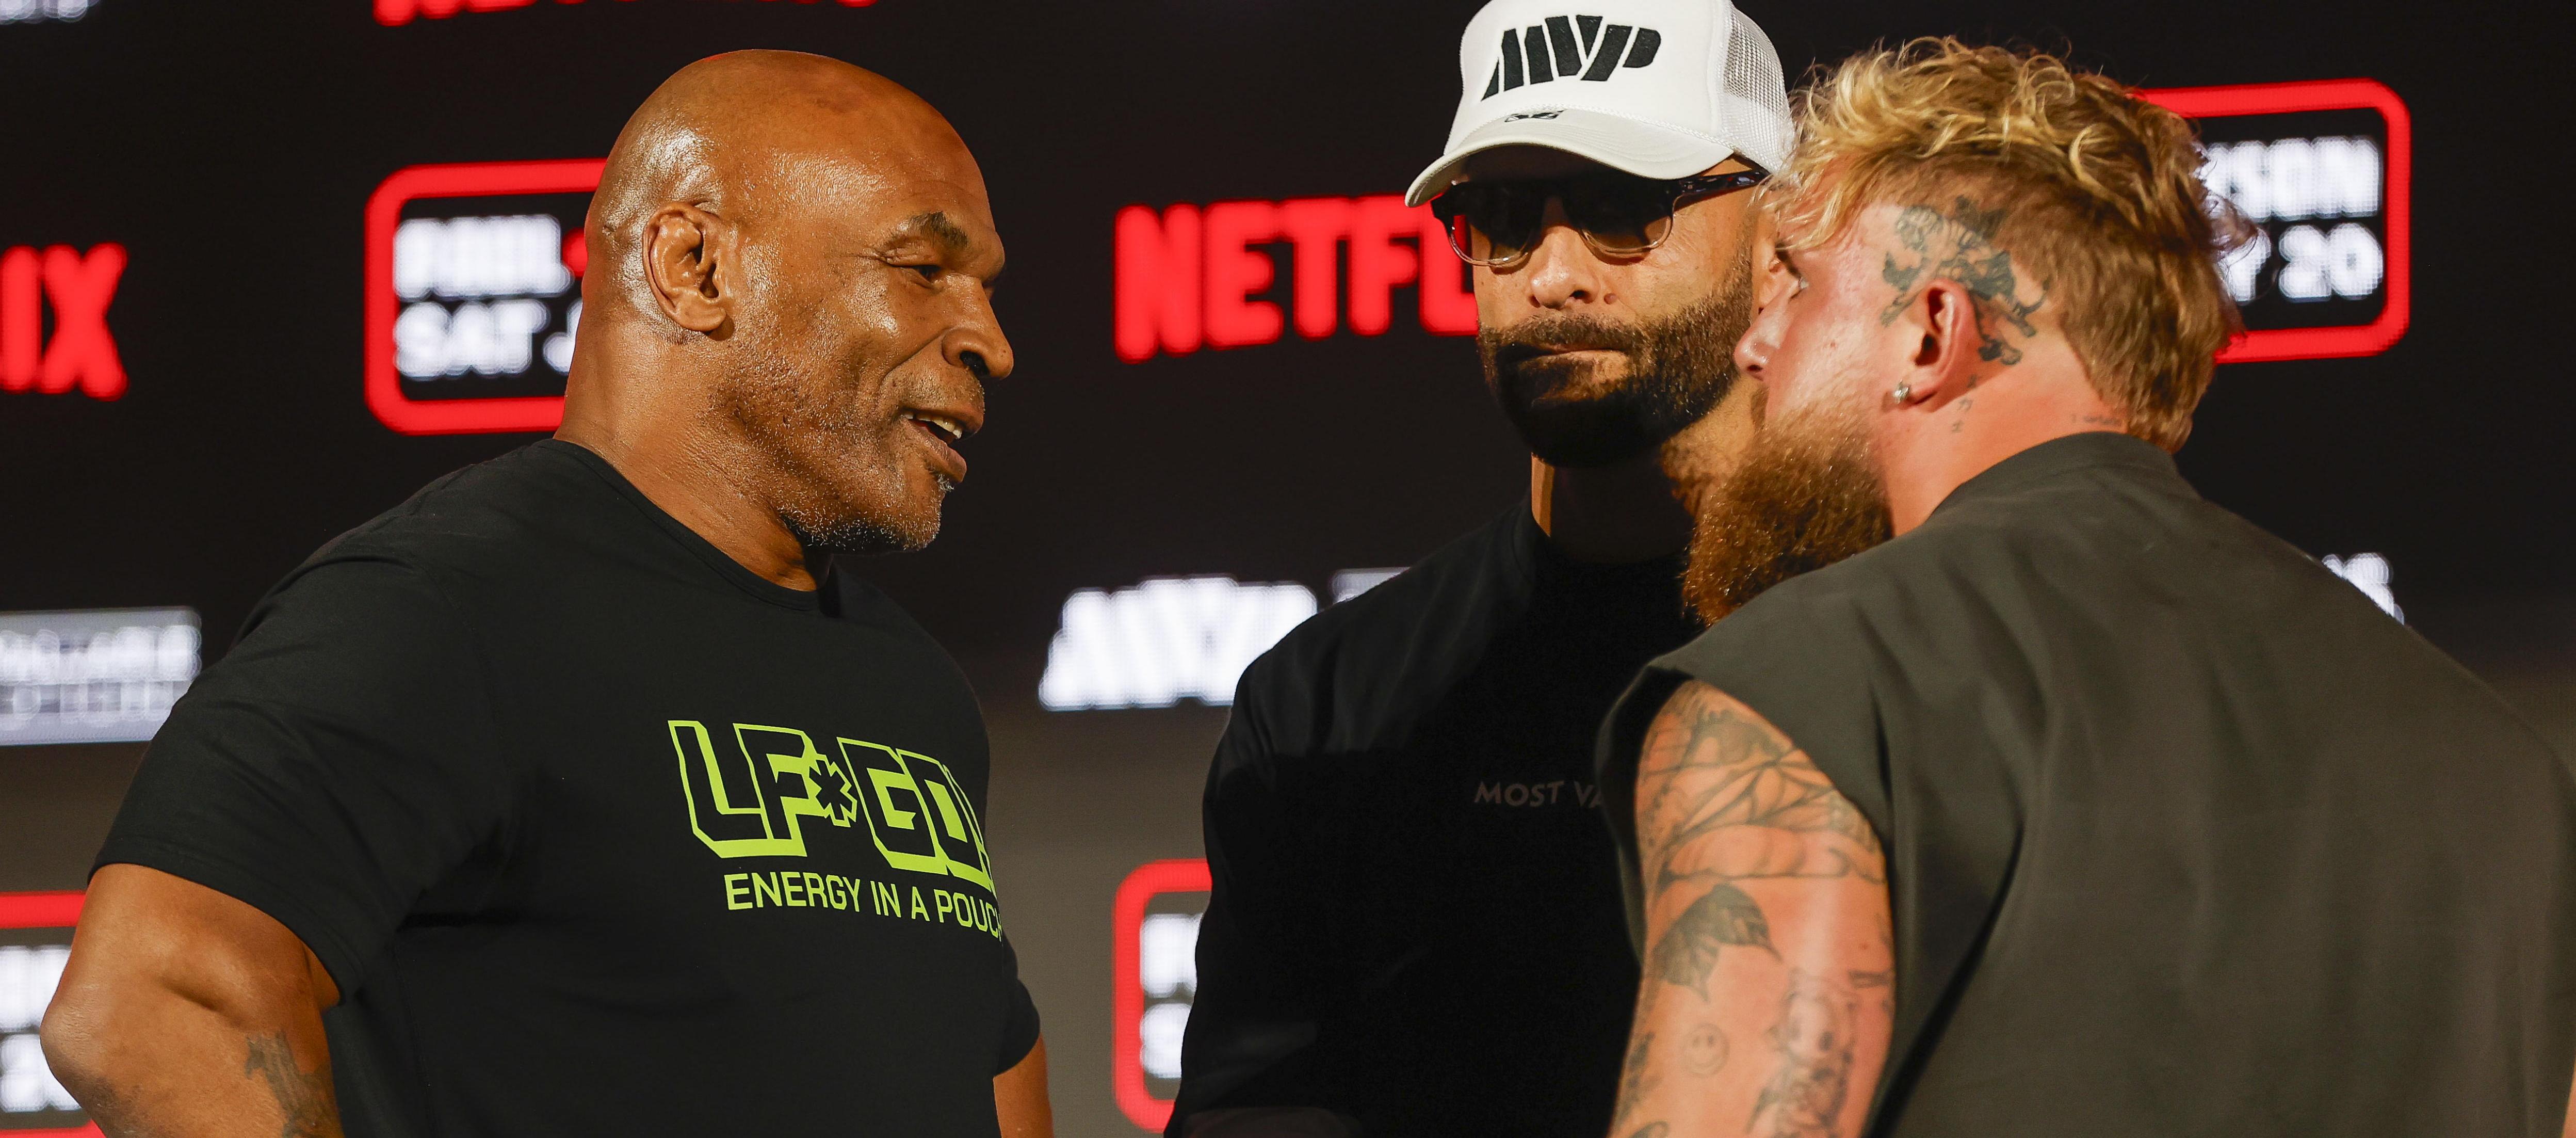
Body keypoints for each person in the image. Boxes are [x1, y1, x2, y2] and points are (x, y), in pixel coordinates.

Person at [41, 51, 1052, 1138]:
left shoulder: (914, 689)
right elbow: (151, 997)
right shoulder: (443, 604)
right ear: (695, 265)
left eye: (986, 287)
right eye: (922, 268)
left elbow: (983, 1062)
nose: (988, 339)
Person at [1597, 38, 2576, 1138]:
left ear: (1931, 331)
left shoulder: (1801, 690)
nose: (1754, 343)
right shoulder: (2511, 773)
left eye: (1793, 283)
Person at [1169, 3, 1791, 1135]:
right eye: (1501, 217)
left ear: (1777, 233)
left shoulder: (1899, 651)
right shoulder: (1324, 702)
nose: (1550, 276)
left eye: (1621, 209)